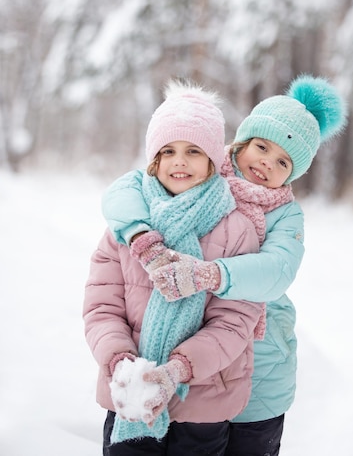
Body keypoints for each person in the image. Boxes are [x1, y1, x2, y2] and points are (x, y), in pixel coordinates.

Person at [102, 74, 347, 456]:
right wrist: (140, 237)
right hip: (194, 356)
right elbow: (127, 190)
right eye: (262, 147)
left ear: (294, 172)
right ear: (241, 142)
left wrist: (207, 275)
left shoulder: (285, 214)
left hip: (261, 356)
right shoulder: (202, 169)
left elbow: (277, 269)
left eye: (283, 161)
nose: (266, 163)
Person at [83, 80, 266, 456]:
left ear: (214, 160)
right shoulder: (127, 227)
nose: (178, 161)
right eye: (168, 151)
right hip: (131, 395)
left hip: (204, 402)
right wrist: (119, 360)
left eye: (193, 151)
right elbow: (101, 307)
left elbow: (235, 321)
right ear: (154, 159)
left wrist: (178, 370)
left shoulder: (236, 230)